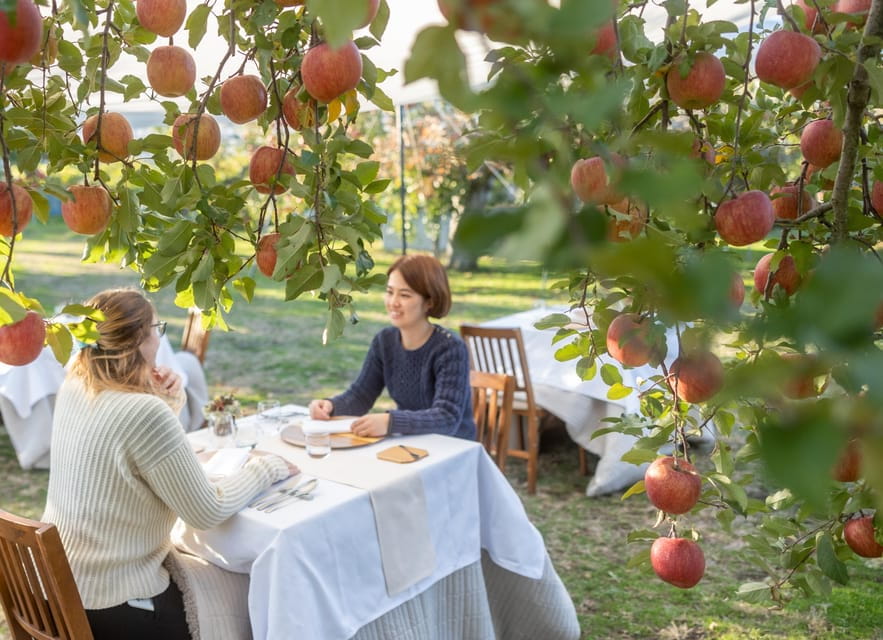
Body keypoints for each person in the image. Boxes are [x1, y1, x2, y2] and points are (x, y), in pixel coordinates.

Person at [42, 288, 297, 640]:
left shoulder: (75, 386)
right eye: (155, 329)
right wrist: (266, 468)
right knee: (244, 596)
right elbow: (206, 511)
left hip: (57, 590)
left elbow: (137, 442)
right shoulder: (142, 412)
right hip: (117, 605)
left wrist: (166, 398)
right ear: (138, 340)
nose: (158, 340)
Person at [309, 254, 476, 440]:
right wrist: (330, 405)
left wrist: (390, 422)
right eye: (389, 292)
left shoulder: (450, 348)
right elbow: (361, 395)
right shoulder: (384, 341)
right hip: (410, 441)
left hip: (453, 449)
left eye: (404, 295)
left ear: (430, 302)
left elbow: (447, 418)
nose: (393, 302)